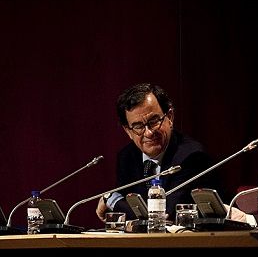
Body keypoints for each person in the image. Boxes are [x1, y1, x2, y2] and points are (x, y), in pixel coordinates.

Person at [96, 83, 248, 225]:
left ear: (169, 117)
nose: (149, 132)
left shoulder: (192, 156)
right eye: (138, 126)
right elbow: (126, 216)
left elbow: (161, 217)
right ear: (127, 131)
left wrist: (111, 198)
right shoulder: (127, 157)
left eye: (154, 121)